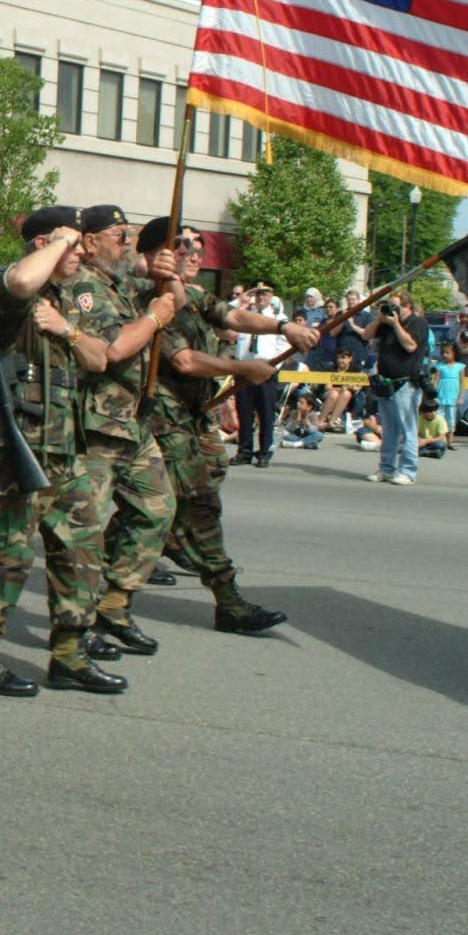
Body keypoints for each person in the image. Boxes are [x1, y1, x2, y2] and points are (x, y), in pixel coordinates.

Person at [0, 207, 123, 694]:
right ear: (42, 246)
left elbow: (100, 358)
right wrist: (55, 246)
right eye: (72, 245)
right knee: (8, 555)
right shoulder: (13, 291)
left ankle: (69, 655)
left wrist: (65, 329)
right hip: (18, 448)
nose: (81, 254)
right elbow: (20, 283)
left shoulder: (66, 302)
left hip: (64, 450)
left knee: (81, 552)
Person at [142, 220, 303, 635]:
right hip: (164, 414)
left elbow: (232, 314)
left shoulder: (194, 295)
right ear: (159, 253)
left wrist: (285, 327)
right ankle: (227, 599)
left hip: (194, 412)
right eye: (182, 246)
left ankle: (154, 544)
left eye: (197, 246)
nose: (194, 253)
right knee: (200, 503)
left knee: (213, 467)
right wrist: (241, 370)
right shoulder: (155, 298)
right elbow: (185, 361)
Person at [68, 204, 180, 657]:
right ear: (90, 241)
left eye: (129, 234)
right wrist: (154, 317)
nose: (127, 242)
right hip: (96, 425)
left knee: (158, 509)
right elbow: (114, 350)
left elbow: (179, 302)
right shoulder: (83, 286)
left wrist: (168, 275)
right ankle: (77, 623)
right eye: (118, 234)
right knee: (86, 532)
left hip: (131, 422)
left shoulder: (120, 284)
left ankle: (114, 604)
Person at [362, 289, 428, 485]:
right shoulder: (387, 323)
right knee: (389, 430)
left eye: (395, 306)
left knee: (408, 429)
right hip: (385, 383)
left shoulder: (417, 323)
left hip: (406, 383)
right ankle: (386, 468)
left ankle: (408, 471)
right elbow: (366, 335)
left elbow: (410, 346)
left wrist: (396, 324)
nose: (392, 310)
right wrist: (380, 318)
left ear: (407, 306)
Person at [231, 284, 286, 468]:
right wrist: (241, 299)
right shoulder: (244, 314)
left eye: (265, 294)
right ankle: (244, 451)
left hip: (265, 371)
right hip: (244, 369)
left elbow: (283, 346)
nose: (261, 297)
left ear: (271, 296)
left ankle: (264, 452)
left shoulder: (278, 318)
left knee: (266, 414)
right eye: (258, 294)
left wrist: (272, 367)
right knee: (244, 413)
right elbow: (223, 314)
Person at [433, 342, 464, 447]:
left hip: (453, 396)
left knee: (451, 418)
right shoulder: (440, 366)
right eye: (443, 353)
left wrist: (461, 396)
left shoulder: (460, 367)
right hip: (441, 396)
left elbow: (462, 382)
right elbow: (436, 381)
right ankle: (441, 438)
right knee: (440, 416)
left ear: (454, 353)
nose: (445, 355)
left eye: (448, 352)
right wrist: (433, 395)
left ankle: (451, 438)